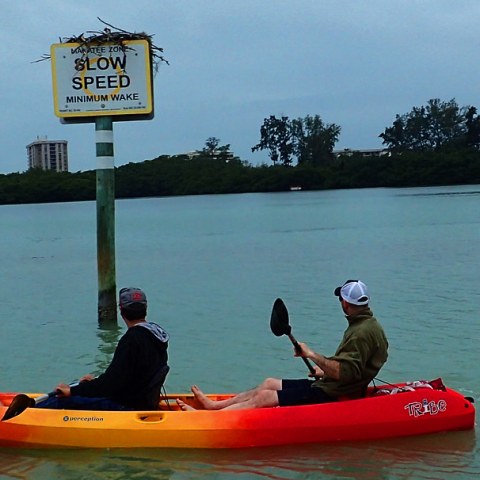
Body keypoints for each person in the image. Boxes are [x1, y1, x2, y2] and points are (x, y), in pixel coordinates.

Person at [177, 279, 388, 411]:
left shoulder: (361, 332)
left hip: (333, 392)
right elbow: (353, 367)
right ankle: (215, 406)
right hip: (331, 383)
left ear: (346, 302)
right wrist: (323, 371)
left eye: (341, 299)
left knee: (266, 397)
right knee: (269, 383)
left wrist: (312, 355)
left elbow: (347, 372)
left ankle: (214, 419)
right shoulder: (367, 325)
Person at [37, 287, 169, 411]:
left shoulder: (132, 340)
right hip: (141, 400)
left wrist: (72, 391)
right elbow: (124, 377)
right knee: (78, 385)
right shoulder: (155, 336)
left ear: (121, 310)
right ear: (145, 308)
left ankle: (26, 415)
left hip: (126, 405)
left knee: (60, 400)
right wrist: (90, 385)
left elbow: (110, 384)